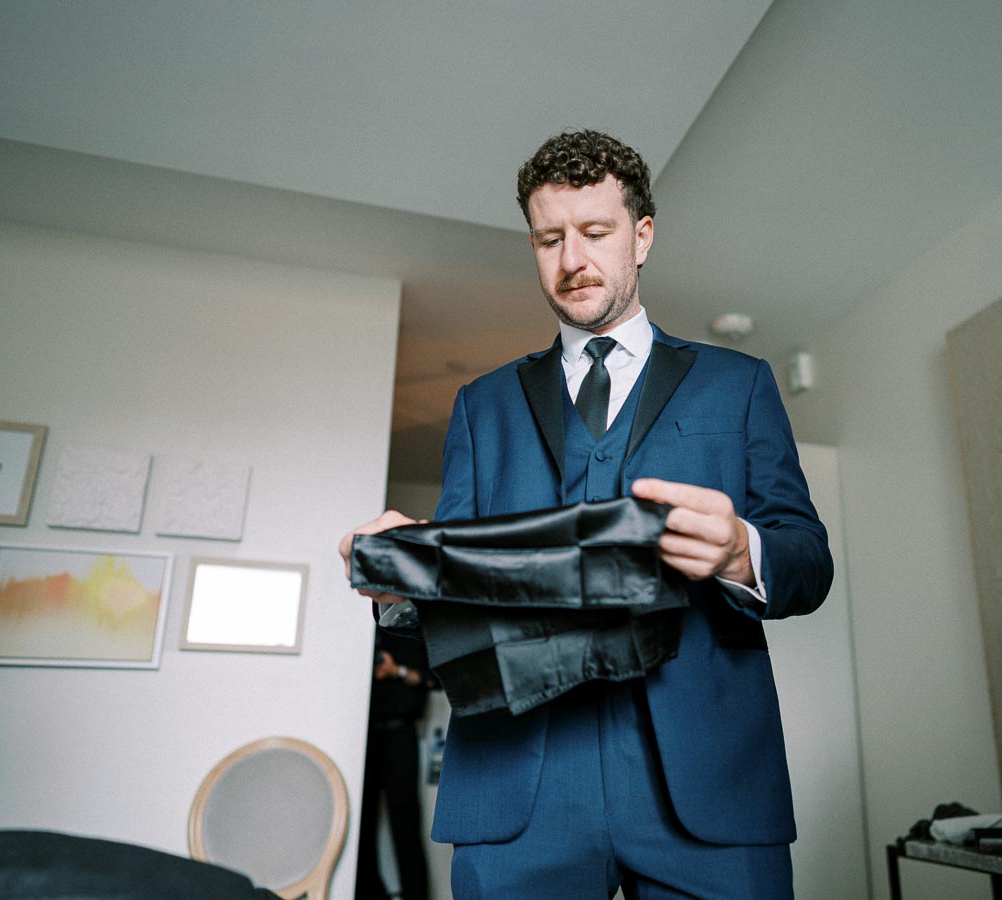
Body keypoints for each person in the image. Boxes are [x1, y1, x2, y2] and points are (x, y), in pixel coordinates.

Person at [340, 129, 833, 899]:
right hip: (517, 786)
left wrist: (743, 552)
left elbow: (808, 558)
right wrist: (401, 584)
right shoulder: (482, 406)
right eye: (549, 238)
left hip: (706, 784)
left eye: (596, 233)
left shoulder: (738, 385)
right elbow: (458, 593)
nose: (572, 260)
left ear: (641, 237)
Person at [356, 630, 435, 900]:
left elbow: (430, 679)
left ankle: (416, 896)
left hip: (400, 733)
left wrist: (395, 670)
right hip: (362, 736)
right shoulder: (365, 628)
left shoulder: (414, 627)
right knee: (361, 824)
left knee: (405, 823)